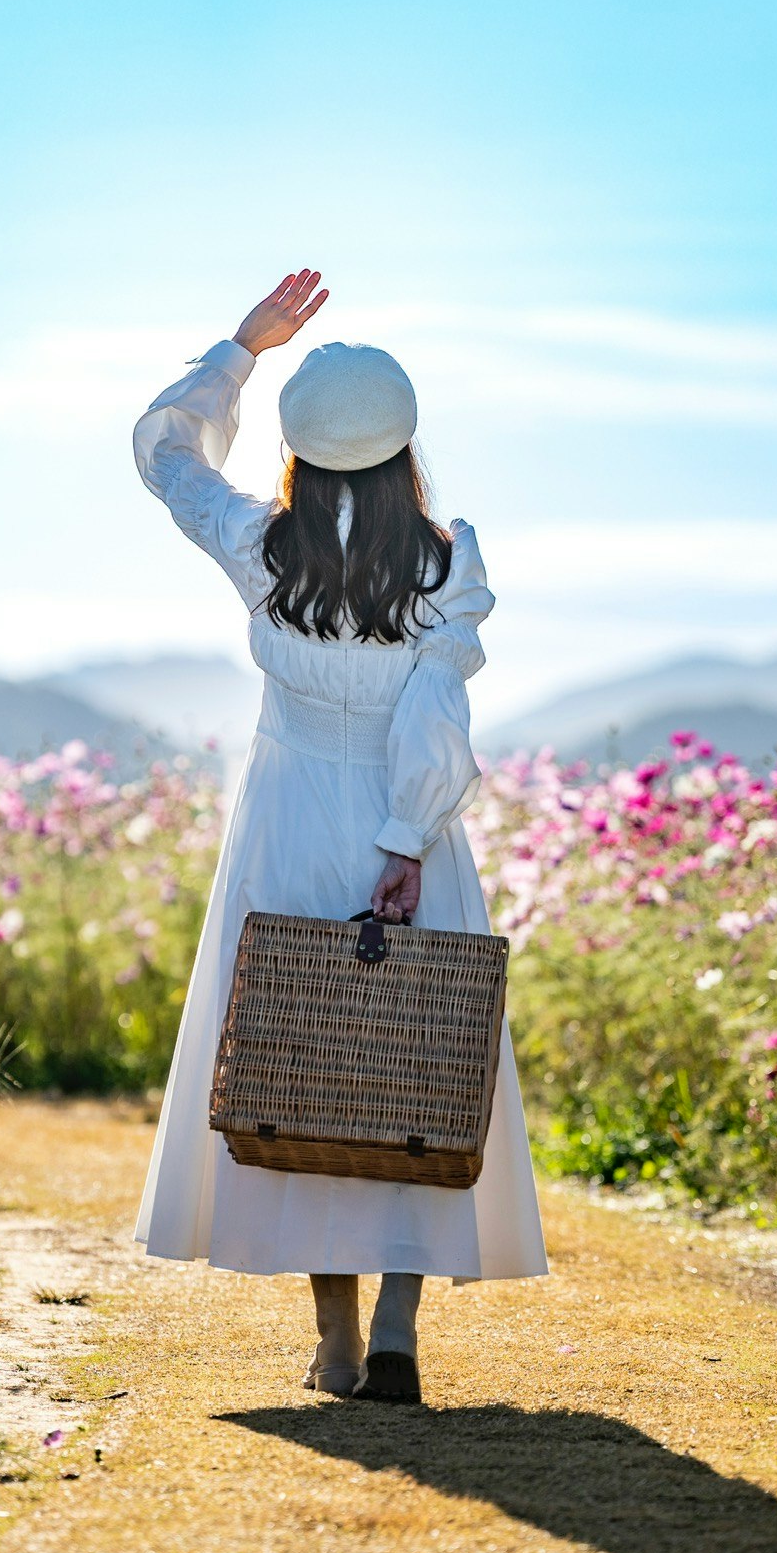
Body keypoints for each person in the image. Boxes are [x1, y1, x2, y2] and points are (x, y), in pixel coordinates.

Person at [132, 270, 548, 1403]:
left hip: (288, 816)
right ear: (405, 446)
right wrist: (409, 838)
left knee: (302, 1066)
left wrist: (240, 349)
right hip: (404, 826)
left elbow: (164, 453)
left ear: (302, 453)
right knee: (418, 1067)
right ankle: (402, 1334)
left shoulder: (263, 547)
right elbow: (436, 712)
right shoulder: (444, 556)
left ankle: (335, 1341)